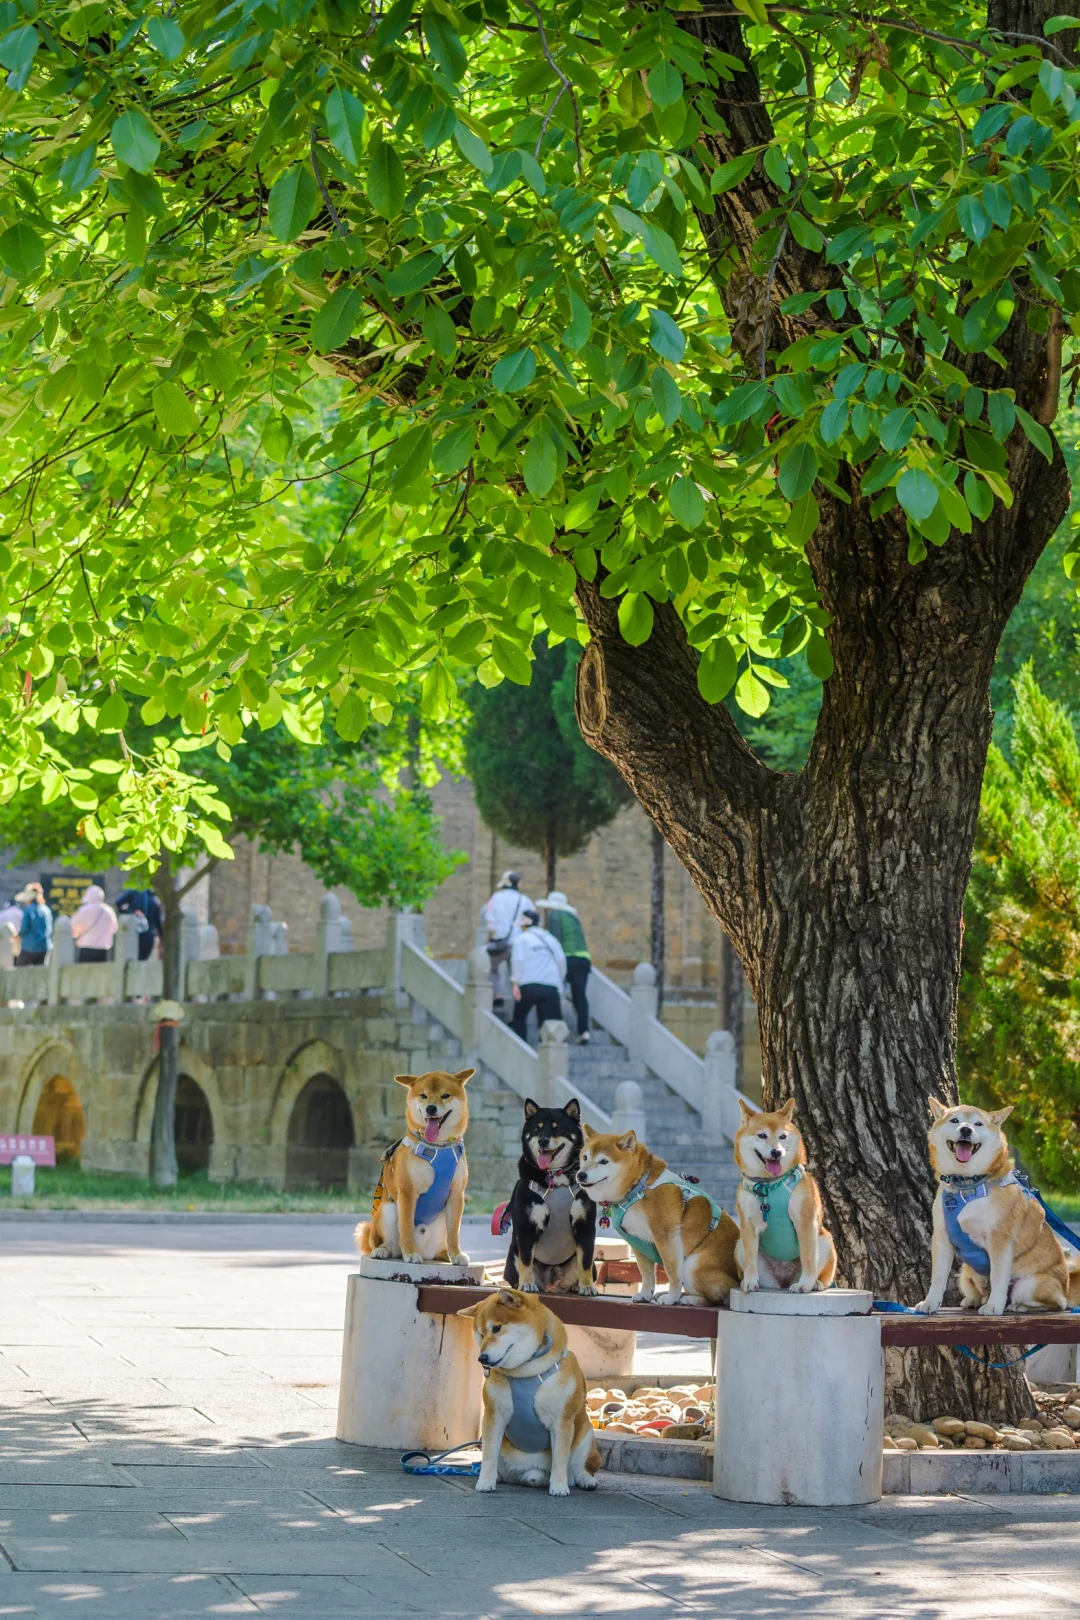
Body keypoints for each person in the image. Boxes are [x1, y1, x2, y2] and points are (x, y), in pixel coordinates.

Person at [538, 890, 592, 1044]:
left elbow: (554, 939)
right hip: (584, 958)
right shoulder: (573, 916)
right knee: (580, 996)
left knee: (555, 992)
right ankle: (584, 1030)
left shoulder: (555, 915)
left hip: (567, 959)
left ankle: (556, 1029)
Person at [509, 908, 566, 1042]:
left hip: (528, 985)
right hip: (551, 986)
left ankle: (521, 1048)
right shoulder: (551, 939)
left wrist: (515, 984)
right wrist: (558, 981)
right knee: (551, 1024)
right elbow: (561, 962)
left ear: (524, 925)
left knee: (519, 1018)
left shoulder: (521, 939)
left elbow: (518, 961)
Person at [481, 869, 534, 1006]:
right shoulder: (525, 900)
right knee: (516, 973)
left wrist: (489, 938)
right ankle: (517, 999)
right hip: (519, 943)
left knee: (491, 968)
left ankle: (497, 995)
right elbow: (532, 920)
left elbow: (490, 920)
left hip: (500, 941)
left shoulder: (496, 898)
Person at [71, 884, 118, 963]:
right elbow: (114, 929)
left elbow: (73, 925)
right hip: (103, 950)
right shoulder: (109, 911)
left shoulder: (85, 910)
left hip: (86, 948)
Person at [116, 886, 163, 960]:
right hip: (149, 936)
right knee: (142, 960)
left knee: (131, 960)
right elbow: (159, 925)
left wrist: (128, 911)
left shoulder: (134, 891)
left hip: (133, 933)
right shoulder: (154, 900)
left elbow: (118, 903)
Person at [16, 883, 52, 966]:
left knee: (20, 971)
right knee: (41, 974)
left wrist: (18, 936)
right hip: (45, 947)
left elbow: (24, 928)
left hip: (29, 947)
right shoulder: (46, 910)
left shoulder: (29, 910)